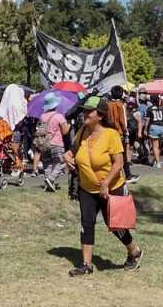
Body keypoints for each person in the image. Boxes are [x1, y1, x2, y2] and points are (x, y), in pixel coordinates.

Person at [62, 95, 142, 276]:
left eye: (89, 111)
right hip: (87, 187)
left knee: (115, 225)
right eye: (84, 111)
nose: (85, 114)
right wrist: (66, 156)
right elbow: (73, 152)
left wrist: (106, 183)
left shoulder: (111, 135)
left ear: (100, 115)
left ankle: (134, 252)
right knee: (86, 223)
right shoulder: (82, 131)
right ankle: (86, 265)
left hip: (111, 187)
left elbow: (119, 163)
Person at [38, 92, 70, 192]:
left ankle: (48, 183)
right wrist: (69, 125)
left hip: (44, 143)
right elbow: (65, 132)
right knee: (60, 163)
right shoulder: (59, 116)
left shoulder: (42, 116)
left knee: (47, 164)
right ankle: (51, 179)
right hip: (56, 143)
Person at [143, 95, 163, 168]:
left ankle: (158, 162)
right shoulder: (162, 109)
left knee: (155, 147)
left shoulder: (149, 109)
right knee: (158, 146)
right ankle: (155, 160)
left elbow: (147, 120)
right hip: (162, 127)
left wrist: (145, 129)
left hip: (154, 126)